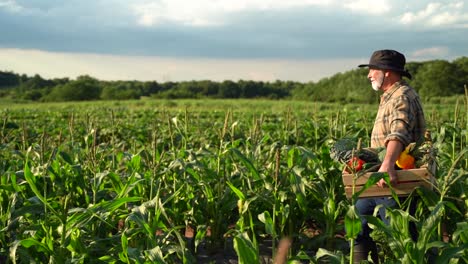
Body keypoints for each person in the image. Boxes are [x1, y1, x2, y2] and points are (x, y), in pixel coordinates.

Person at [354, 49, 426, 262]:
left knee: (398, 235)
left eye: (373, 70)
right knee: (358, 227)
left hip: (394, 179)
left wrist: (387, 165)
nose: (369, 75)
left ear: (387, 72)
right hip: (378, 179)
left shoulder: (401, 95)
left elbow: (399, 131)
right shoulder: (390, 96)